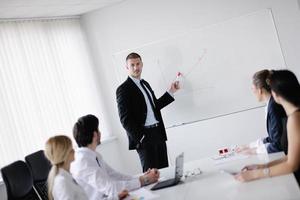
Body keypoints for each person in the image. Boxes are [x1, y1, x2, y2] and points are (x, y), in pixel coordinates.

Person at [116, 52, 180, 172]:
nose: (136, 67)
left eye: (138, 64)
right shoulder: (123, 89)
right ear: (127, 67)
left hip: (158, 133)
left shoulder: (145, 84)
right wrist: (140, 138)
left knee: (165, 172)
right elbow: (125, 119)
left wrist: (171, 92)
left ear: (142, 64)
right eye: (132, 65)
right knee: (152, 176)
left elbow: (154, 106)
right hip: (144, 137)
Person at [70, 114, 159, 200]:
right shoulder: (83, 162)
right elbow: (111, 188)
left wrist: (143, 176)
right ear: (95, 135)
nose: (100, 132)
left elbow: (116, 176)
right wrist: (144, 180)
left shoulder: (93, 155)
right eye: (98, 129)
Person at [235, 69, 300, 184]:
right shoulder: (293, 116)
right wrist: (263, 166)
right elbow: (291, 156)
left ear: (276, 94)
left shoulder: (295, 119)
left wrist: (256, 175)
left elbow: (292, 165)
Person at [237, 69, 287, 154]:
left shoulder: (274, 106)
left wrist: (255, 151)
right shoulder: (270, 104)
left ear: (260, 90)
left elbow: (278, 144)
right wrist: (250, 146)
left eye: (253, 88)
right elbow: (273, 138)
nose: (252, 91)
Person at [45, 135, 89, 200]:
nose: (74, 151)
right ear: (64, 154)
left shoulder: (67, 176)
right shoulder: (61, 182)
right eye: (71, 149)